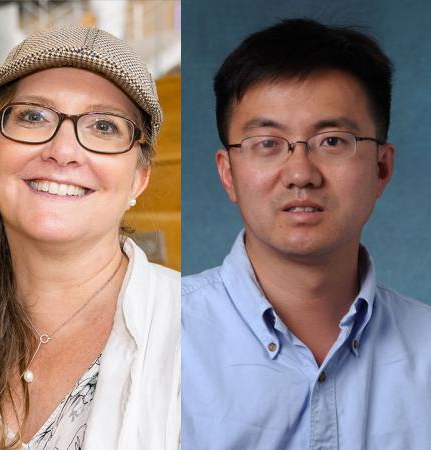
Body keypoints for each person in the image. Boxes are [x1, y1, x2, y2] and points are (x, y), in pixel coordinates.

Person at [182, 18, 431, 449]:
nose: (300, 173)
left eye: (332, 141)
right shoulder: (160, 341)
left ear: (381, 168)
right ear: (228, 174)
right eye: (267, 143)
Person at [0, 25, 180, 449]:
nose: (63, 151)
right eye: (33, 116)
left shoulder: (195, 336)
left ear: (139, 179)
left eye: (103, 126)